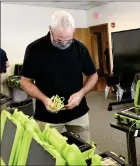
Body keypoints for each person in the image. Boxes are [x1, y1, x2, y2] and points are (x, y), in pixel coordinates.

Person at [20, 11, 98, 141]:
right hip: (47, 117)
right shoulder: (34, 49)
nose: (63, 44)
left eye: (68, 40)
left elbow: (93, 75)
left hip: (78, 114)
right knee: (48, 155)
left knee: (84, 152)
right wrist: (45, 100)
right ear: (50, 30)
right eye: (58, 40)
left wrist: (80, 94)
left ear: (73, 31)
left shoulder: (80, 48)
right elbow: (25, 82)